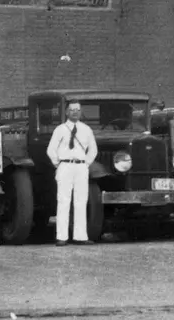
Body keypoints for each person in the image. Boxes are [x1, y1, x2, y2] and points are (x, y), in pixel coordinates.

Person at [46, 98, 97, 245]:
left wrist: (85, 163)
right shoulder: (60, 129)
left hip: (81, 167)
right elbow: (51, 149)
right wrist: (59, 164)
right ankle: (62, 237)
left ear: (81, 112)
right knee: (63, 201)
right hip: (65, 166)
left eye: (78, 110)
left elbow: (93, 149)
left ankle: (80, 236)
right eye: (72, 110)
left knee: (81, 201)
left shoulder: (87, 130)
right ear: (67, 112)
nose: (75, 112)